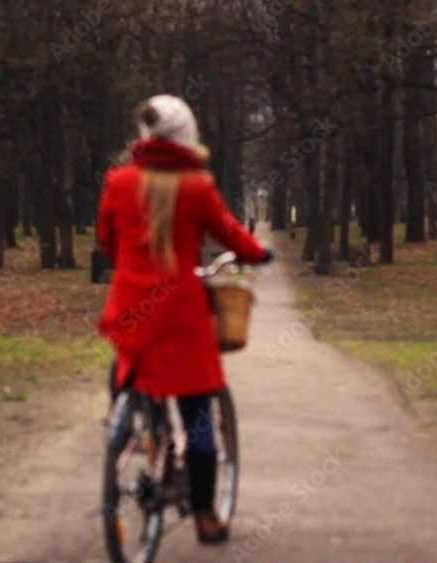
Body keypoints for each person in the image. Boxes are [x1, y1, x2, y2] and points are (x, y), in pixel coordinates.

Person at [96, 94, 271, 544]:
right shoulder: (196, 186)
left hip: (132, 310)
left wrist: (134, 268)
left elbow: (108, 241)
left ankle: (129, 424)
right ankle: (206, 517)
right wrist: (258, 253)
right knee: (198, 414)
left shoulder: (118, 183)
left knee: (128, 367)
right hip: (179, 317)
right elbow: (230, 232)